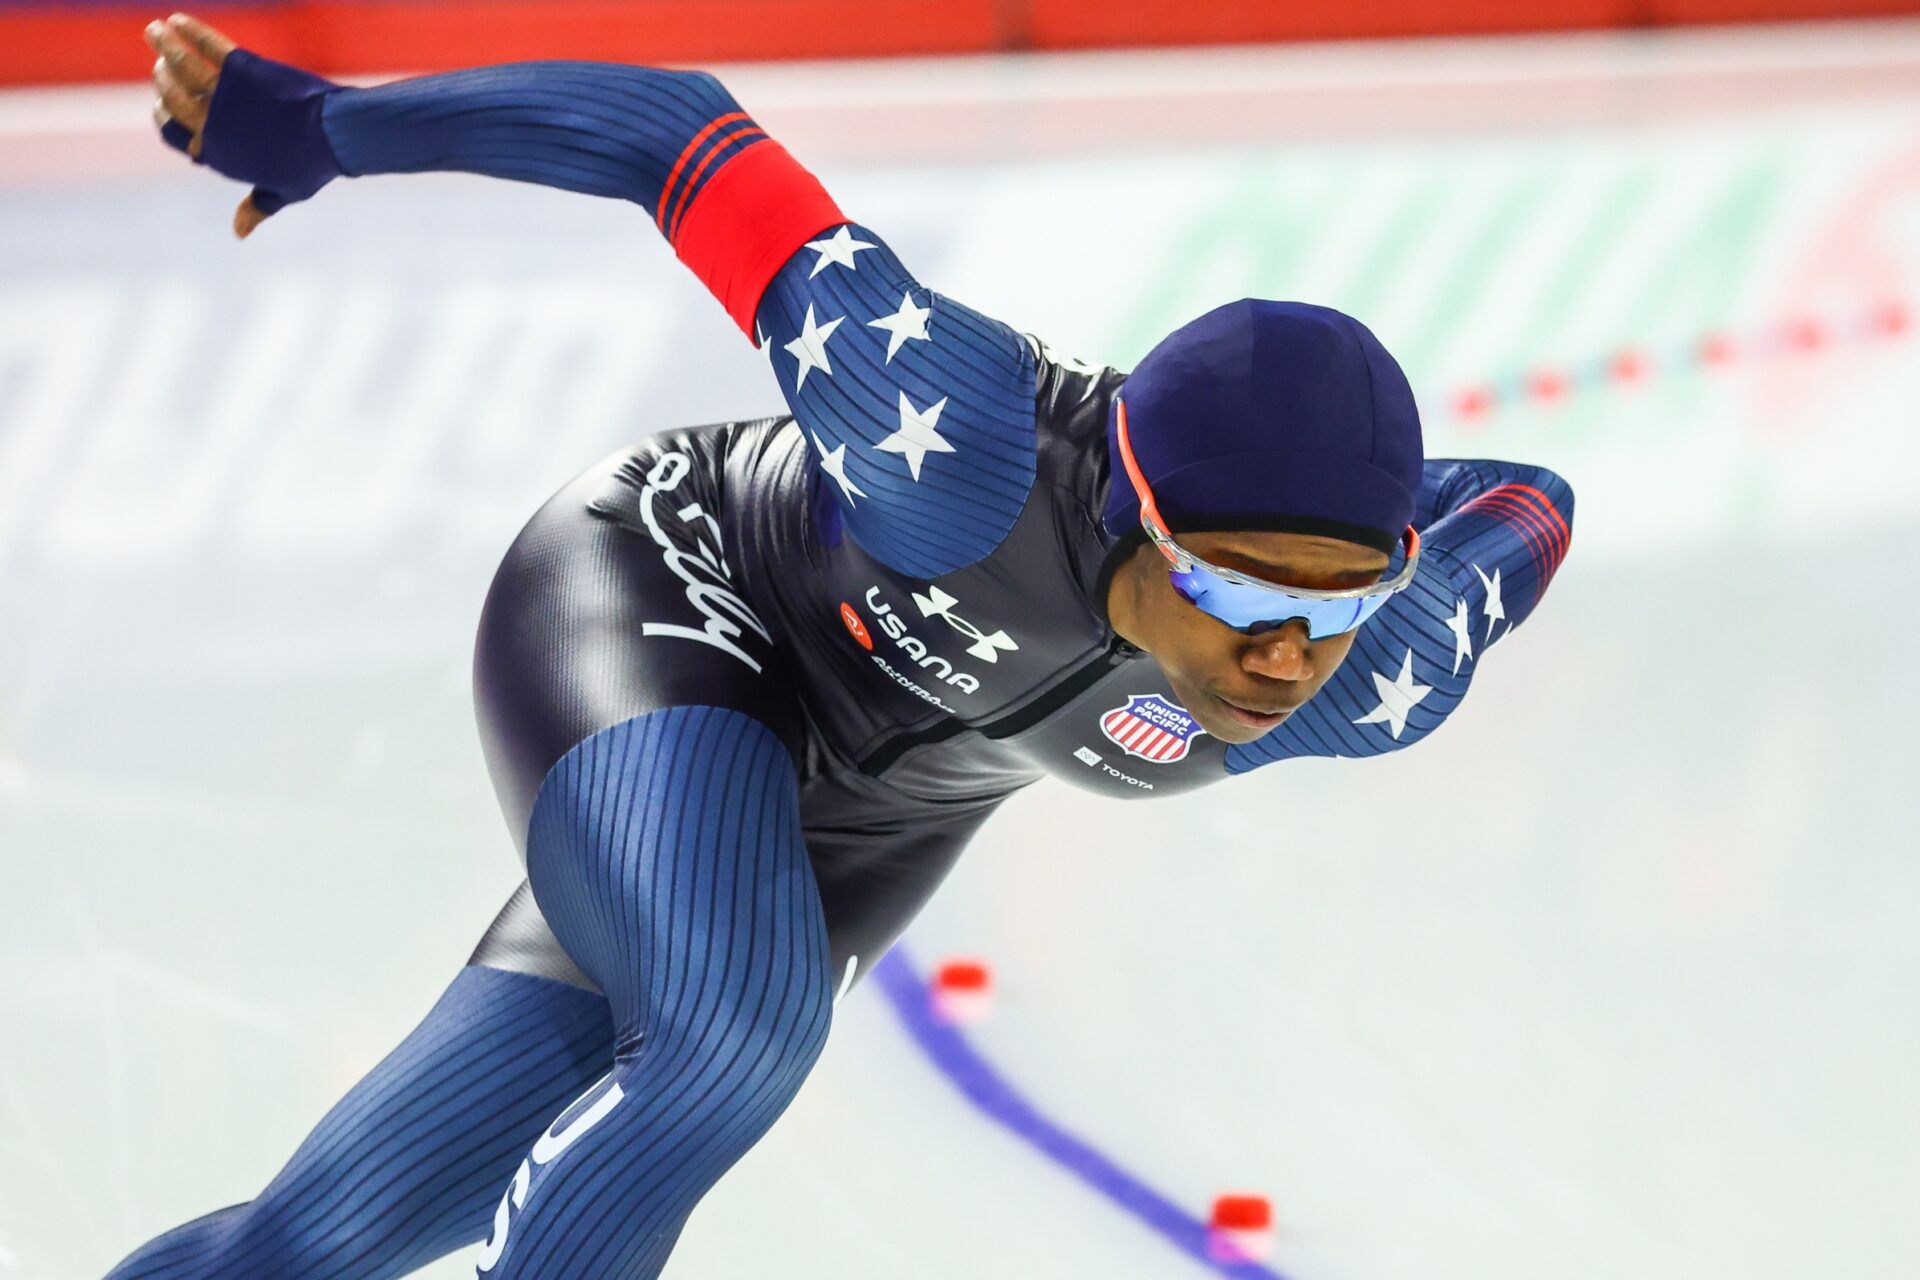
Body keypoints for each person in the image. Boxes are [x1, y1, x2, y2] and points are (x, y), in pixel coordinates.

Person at [110, 13, 1574, 1279]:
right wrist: (323, 126)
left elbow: (1532, 502)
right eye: (1247, 592)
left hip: (862, 826)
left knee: (312, 1247)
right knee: (733, 1037)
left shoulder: (1381, 669)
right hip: (674, 601)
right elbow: (677, 133)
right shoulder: (955, 446)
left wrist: (1382, 526)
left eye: (1337, 602)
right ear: (1133, 510)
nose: (1287, 658)